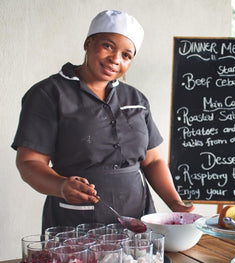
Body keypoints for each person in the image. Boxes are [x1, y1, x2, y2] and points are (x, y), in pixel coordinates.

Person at [12, 10, 194, 231]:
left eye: (126, 55)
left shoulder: (136, 99)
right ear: (88, 43)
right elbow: (29, 163)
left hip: (138, 218)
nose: (116, 59)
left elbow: (153, 160)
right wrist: (61, 186)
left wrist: (175, 203)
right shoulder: (48, 94)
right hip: (75, 223)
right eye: (108, 46)